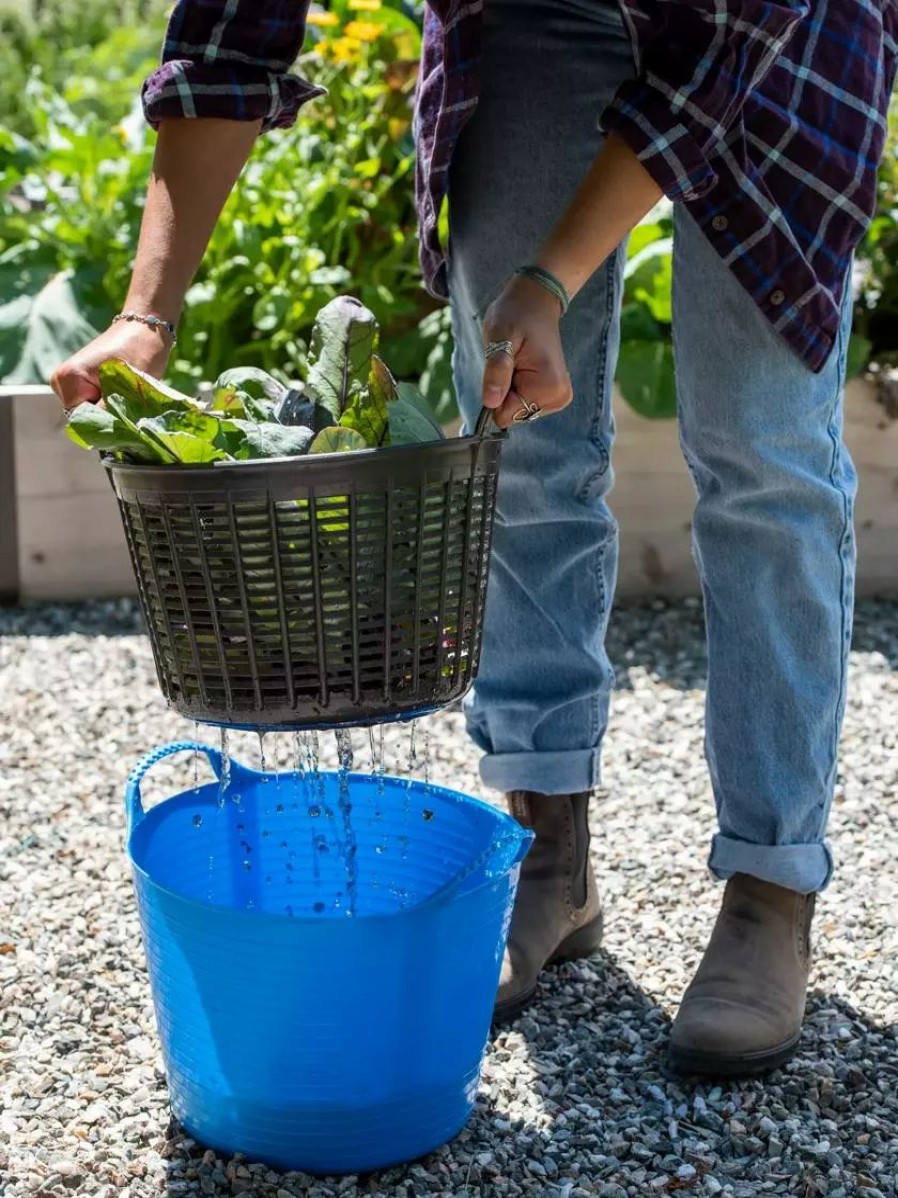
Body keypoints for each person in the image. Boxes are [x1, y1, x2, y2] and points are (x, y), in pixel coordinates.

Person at [51, 0, 897, 1076]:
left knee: (759, 451)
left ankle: (770, 887)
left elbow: (715, 69)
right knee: (516, 434)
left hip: (774, 42)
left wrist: (551, 278)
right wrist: (148, 314)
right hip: (538, 16)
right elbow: (231, 31)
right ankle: (549, 848)